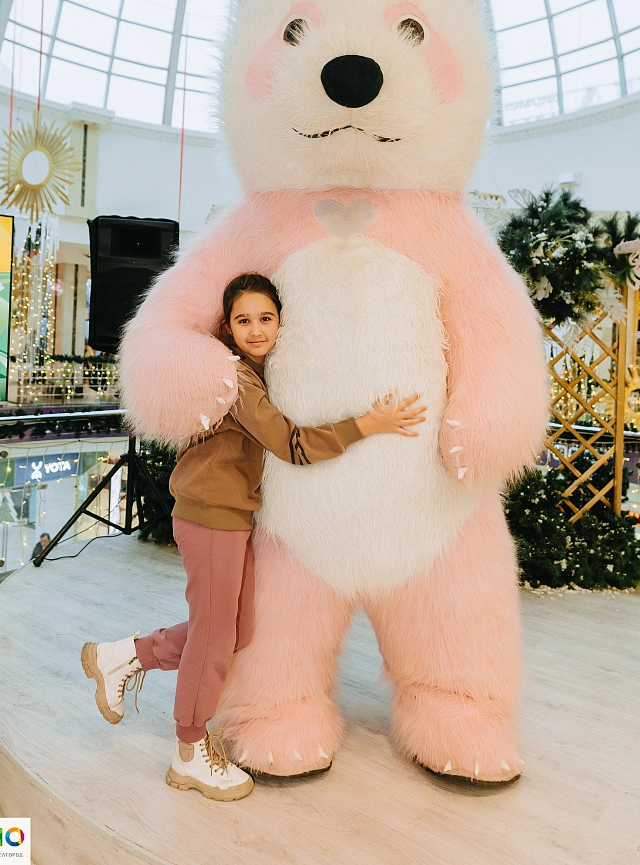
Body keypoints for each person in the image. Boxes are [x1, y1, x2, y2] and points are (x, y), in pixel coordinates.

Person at [81, 273, 425, 802]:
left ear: (281, 321)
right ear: (228, 326)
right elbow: (292, 445)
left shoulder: (257, 373)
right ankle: (189, 751)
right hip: (211, 516)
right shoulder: (237, 381)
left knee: (233, 632)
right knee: (215, 636)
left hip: (228, 515)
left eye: (266, 318)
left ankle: (125, 656)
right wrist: (368, 424)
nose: (257, 329)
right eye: (244, 320)